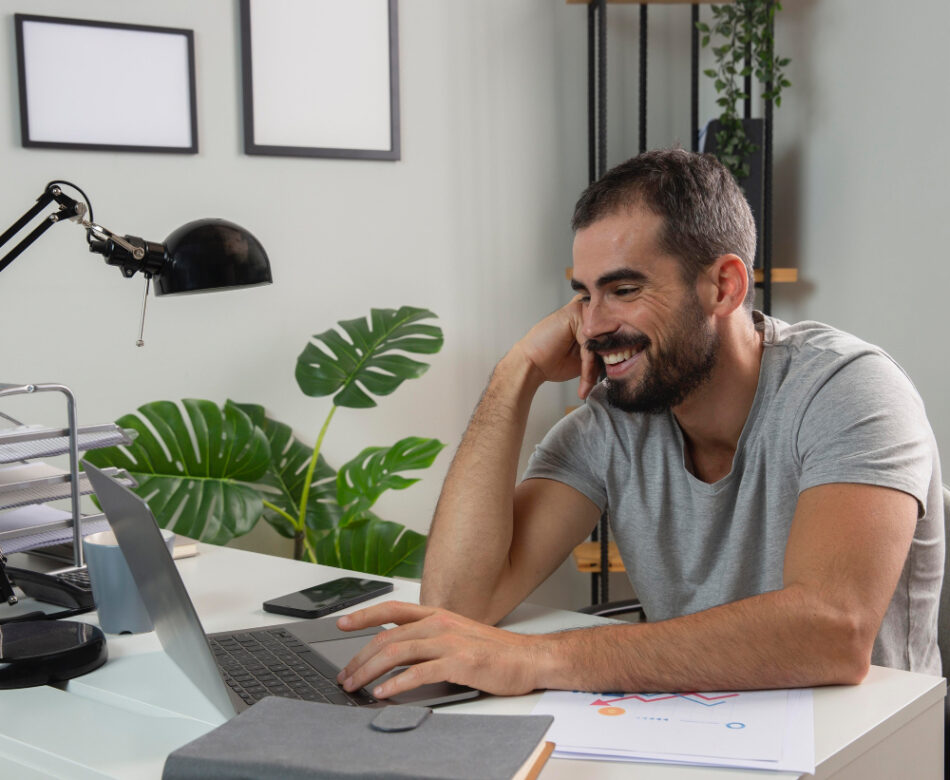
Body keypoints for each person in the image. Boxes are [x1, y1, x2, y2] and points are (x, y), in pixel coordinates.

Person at [335, 148, 944, 701]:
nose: (593, 326)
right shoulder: (615, 420)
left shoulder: (849, 389)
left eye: (623, 289)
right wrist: (514, 372)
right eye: (582, 295)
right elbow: (459, 605)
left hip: (866, 747)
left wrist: (542, 658)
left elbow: (832, 632)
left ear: (724, 287)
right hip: (696, 733)